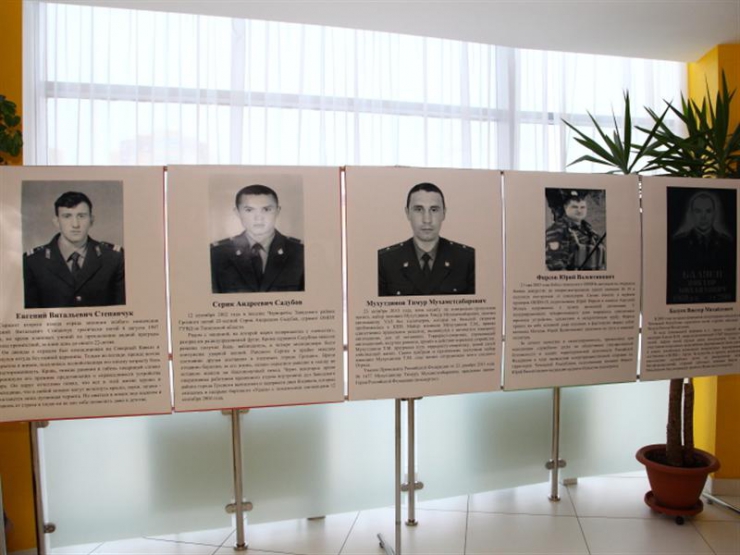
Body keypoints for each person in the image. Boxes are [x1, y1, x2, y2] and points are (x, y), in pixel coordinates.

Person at [23, 191, 126, 309]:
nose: (75, 224)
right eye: (67, 216)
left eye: (81, 216)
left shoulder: (114, 258)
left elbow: (122, 311)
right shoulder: (33, 262)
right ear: (56, 222)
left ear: (91, 220)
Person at [378, 182, 475, 296]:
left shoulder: (467, 259)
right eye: (419, 209)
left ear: (444, 213)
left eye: (434, 210)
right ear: (407, 213)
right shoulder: (385, 261)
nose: (427, 220)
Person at [210, 184, 304, 293]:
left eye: (266, 209)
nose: (258, 218)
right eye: (249, 210)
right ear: (237, 212)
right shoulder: (216, 255)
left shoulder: (301, 252)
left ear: (277, 211)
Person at [667, 190, 735, 304]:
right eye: (698, 211)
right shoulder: (677, 244)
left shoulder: (727, 244)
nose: (703, 217)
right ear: (691, 214)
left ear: (714, 213)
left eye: (708, 211)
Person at [545, 190, 606, 271]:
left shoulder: (591, 232)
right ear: (565, 207)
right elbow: (555, 265)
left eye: (582, 207)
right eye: (574, 207)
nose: (579, 211)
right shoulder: (557, 231)